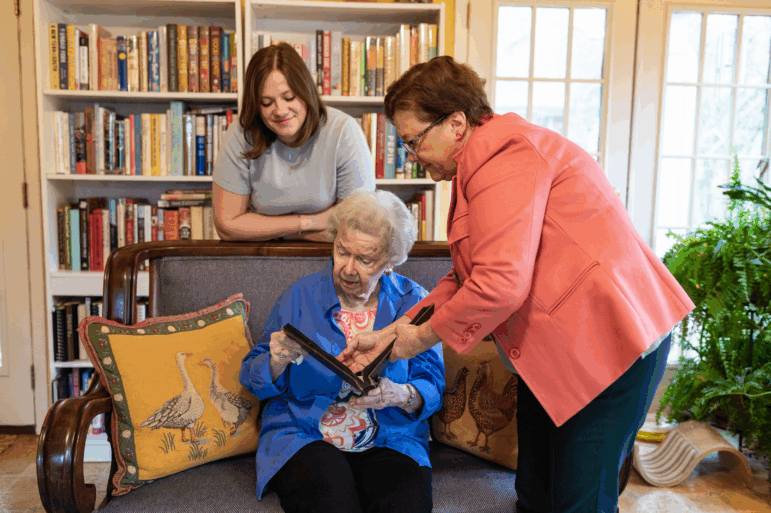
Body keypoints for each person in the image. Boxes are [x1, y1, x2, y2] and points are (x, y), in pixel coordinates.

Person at [338, 56, 696, 513]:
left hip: (612, 345)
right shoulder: (483, 163)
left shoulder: (505, 157)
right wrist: (391, 335)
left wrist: (418, 341)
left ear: (456, 123)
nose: (413, 156)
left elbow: (501, 283)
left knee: (577, 503)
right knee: (535, 495)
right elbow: (465, 276)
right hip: (563, 354)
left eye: (414, 142)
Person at [239, 189, 445, 513]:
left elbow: (432, 384)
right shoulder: (301, 295)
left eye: (364, 260)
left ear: (391, 261)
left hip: (391, 436)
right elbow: (252, 378)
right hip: (306, 435)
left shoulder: (415, 303)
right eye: (341, 252)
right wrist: (275, 361)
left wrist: (402, 394)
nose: (348, 269)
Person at [213, 42, 375, 242]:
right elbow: (227, 226)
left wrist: (265, 230)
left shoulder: (344, 131)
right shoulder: (241, 134)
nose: (280, 110)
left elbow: (357, 226)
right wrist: (308, 224)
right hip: (261, 257)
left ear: (306, 92)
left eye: (289, 97)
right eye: (267, 102)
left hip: (332, 258)